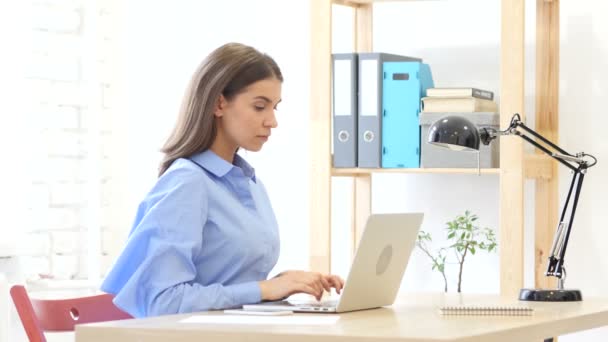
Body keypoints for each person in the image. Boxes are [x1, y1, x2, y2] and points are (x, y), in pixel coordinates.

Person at [101, 42, 344, 318]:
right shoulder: (186, 183)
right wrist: (264, 289)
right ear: (219, 103)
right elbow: (161, 302)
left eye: (275, 107)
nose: (272, 121)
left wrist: (286, 284)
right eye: (260, 107)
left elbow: (229, 284)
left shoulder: (250, 184)